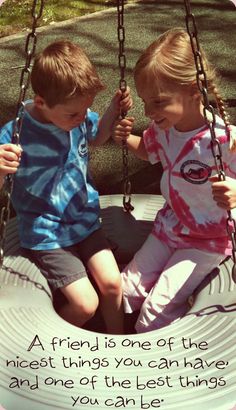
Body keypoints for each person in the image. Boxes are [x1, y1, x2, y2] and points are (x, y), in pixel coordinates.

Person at [0, 39, 132, 334]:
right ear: (41, 103)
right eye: (73, 114)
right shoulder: (16, 134)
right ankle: (51, 343)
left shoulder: (77, 117)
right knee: (85, 304)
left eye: (86, 111)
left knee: (112, 285)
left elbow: (96, 137)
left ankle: (118, 343)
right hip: (46, 231)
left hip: (84, 220)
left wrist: (112, 109)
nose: (82, 119)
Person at [112, 27, 236, 333]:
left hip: (208, 240)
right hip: (169, 227)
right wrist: (127, 139)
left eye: (158, 102)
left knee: (153, 315)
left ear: (194, 91)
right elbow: (147, 151)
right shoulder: (165, 130)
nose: (148, 112)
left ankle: (175, 352)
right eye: (145, 102)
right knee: (124, 292)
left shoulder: (225, 140)